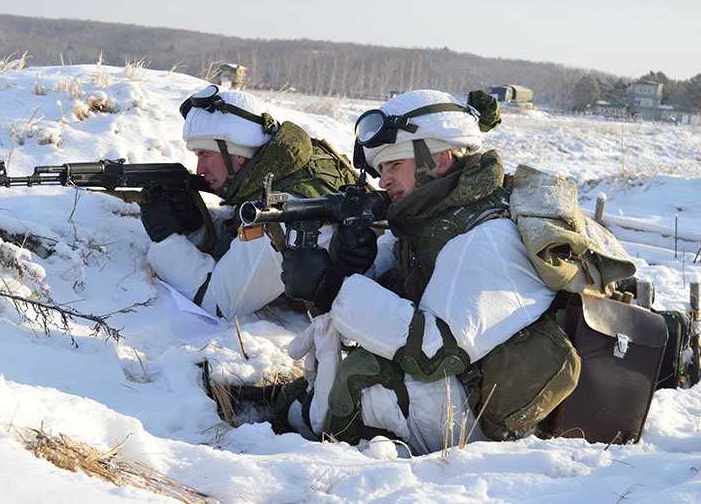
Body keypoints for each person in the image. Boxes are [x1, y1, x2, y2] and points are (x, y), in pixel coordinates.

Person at [277, 89, 635, 455]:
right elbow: (380, 307)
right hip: (464, 382)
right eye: (381, 170)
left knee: (363, 385)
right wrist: (350, 267)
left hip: (483, 415)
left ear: (441, 160)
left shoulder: (488, 236)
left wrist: (333, 287)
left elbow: (433, 352)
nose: (382, 182)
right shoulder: (431, 221)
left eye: (394, 166)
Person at [140, 85, 358, 320]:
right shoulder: (288, 166)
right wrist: (197, 225)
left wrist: (167, 240)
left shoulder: (283, 214)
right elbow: (242, 241)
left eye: (206, 155)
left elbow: (218, 303)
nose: (200, 169)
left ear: (239, 154)